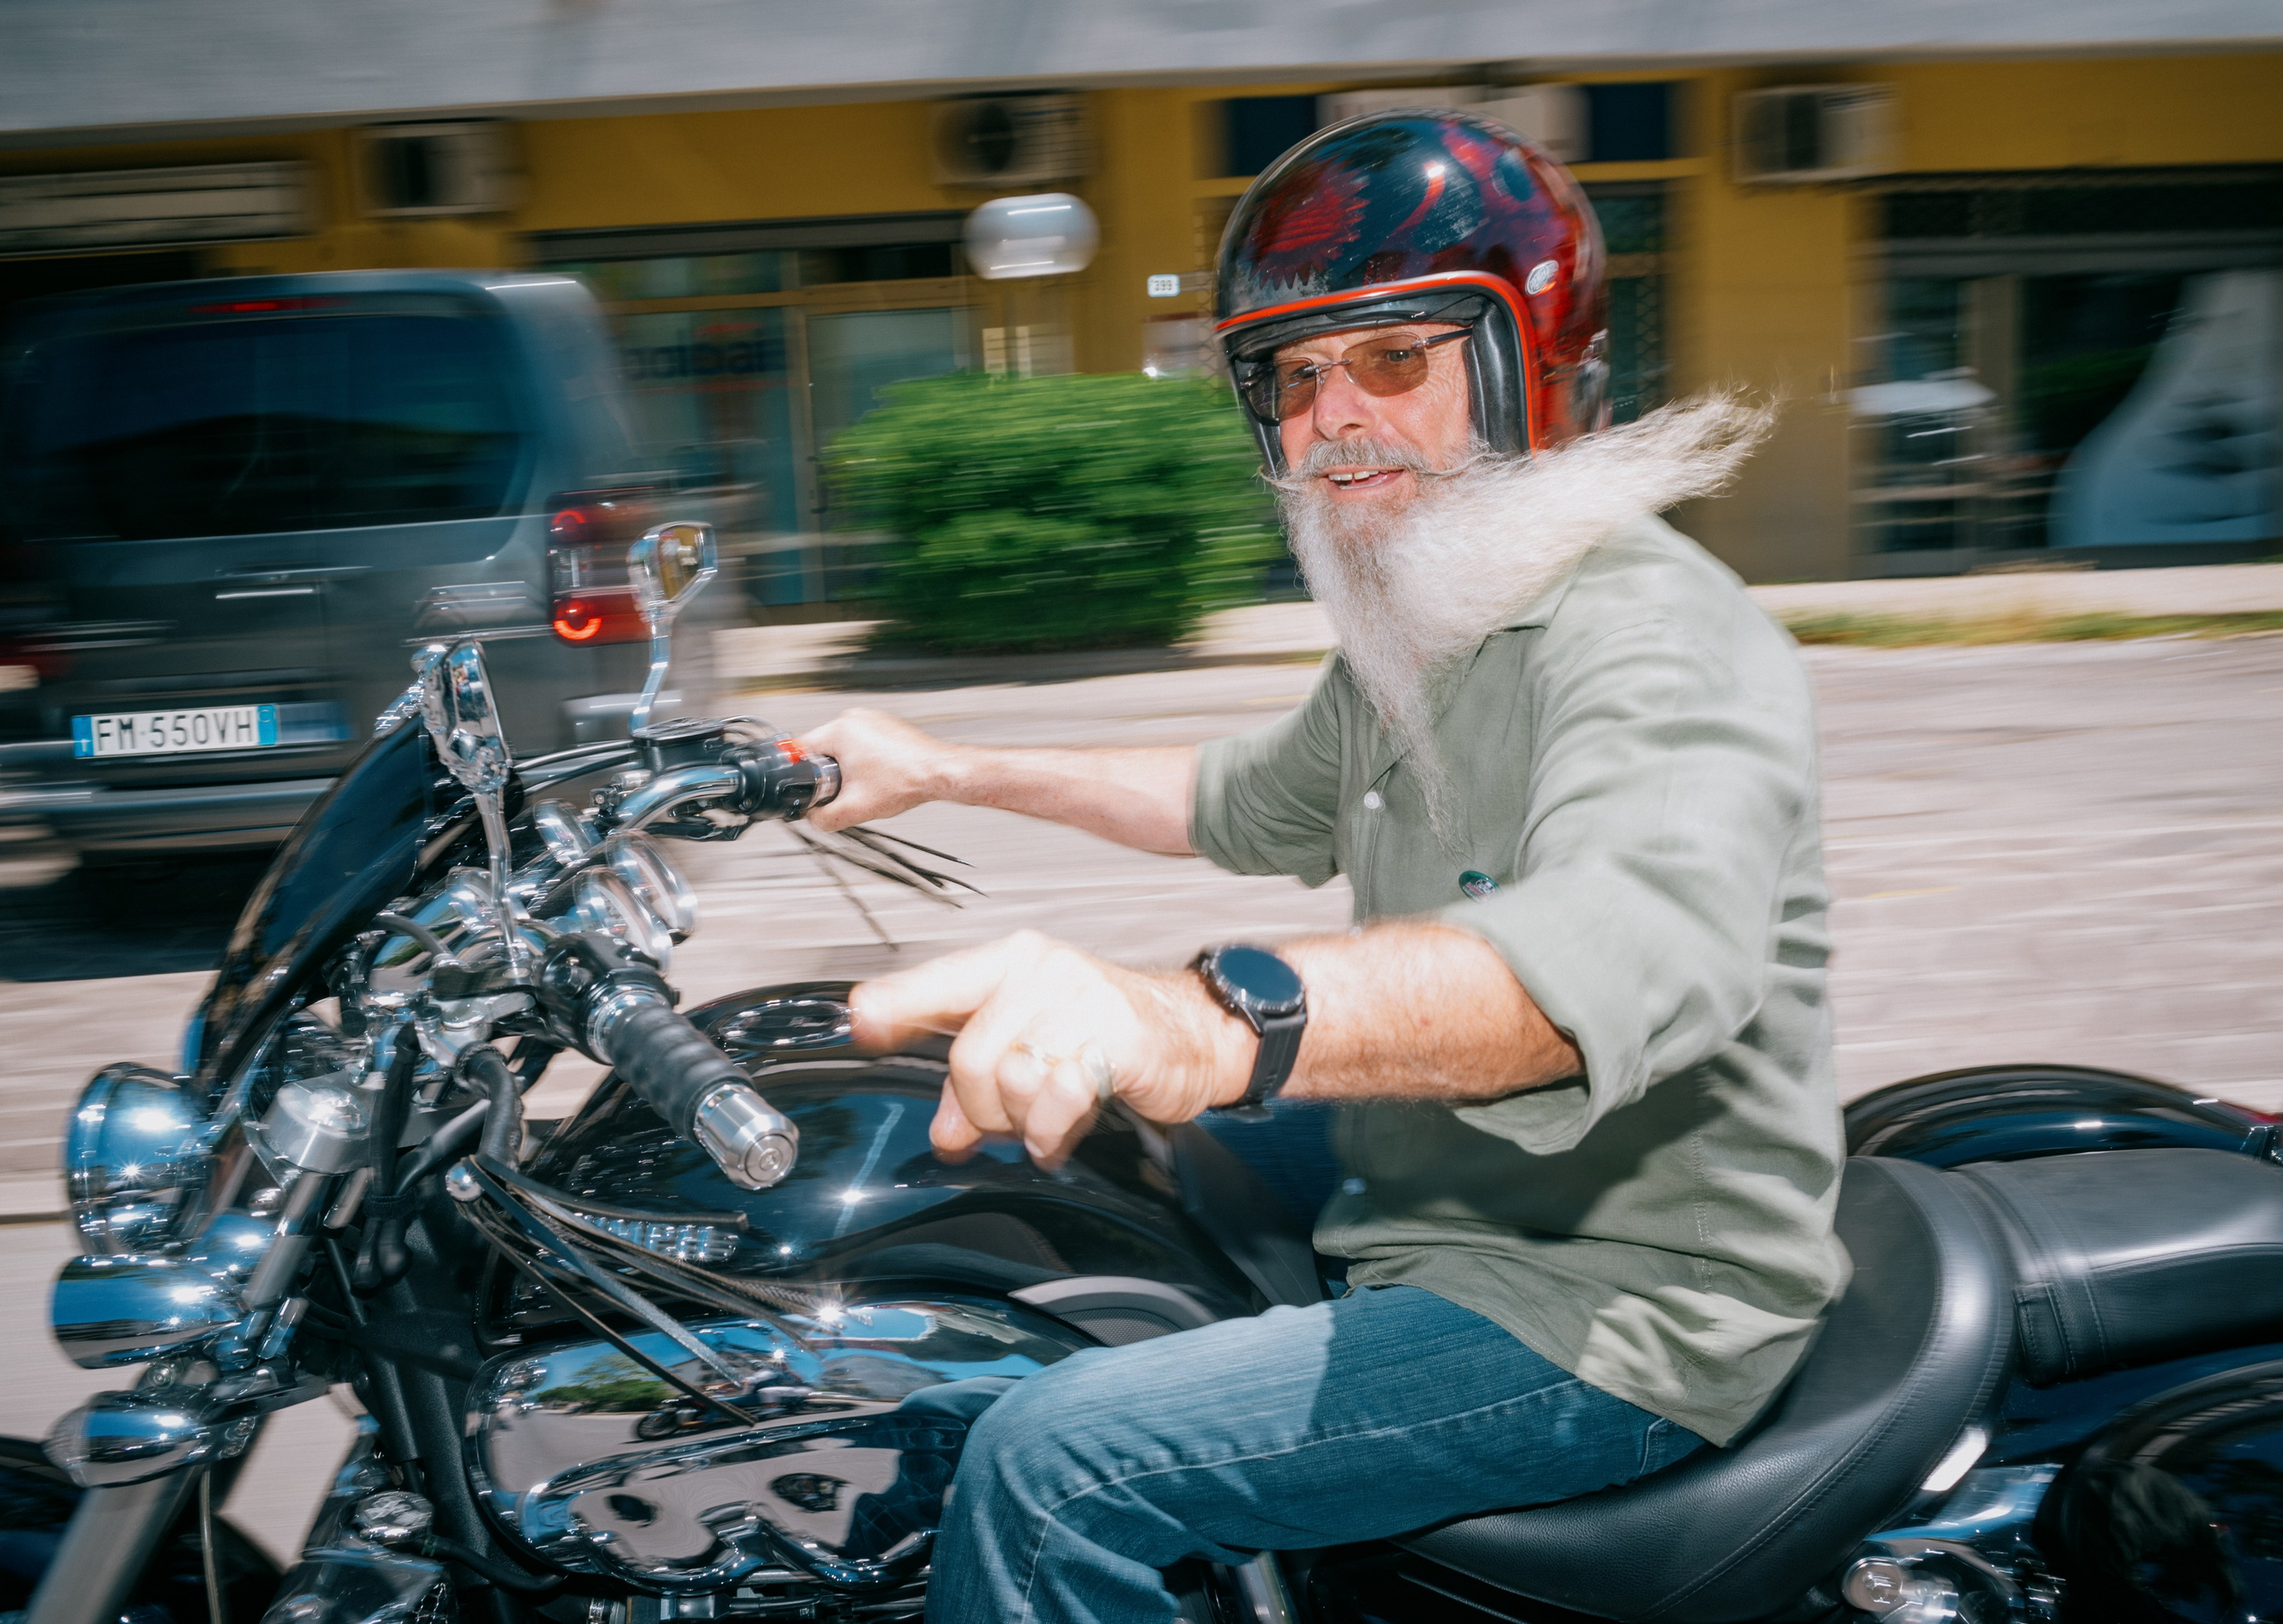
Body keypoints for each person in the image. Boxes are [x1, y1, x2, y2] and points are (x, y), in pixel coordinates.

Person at [797, 110, 1850, 1624]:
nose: (1332, 415)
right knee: (1024, 1178)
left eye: (1397, 359)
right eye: (1294, 376)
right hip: (1449, 1186)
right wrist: (948, 767)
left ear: (1531, 369)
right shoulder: (1430, 628)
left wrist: (1202, 1017)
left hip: (1618, 1293)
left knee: (1056, 1461)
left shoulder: (1655, 634)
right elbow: (1233, 799)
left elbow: (1613, 960)